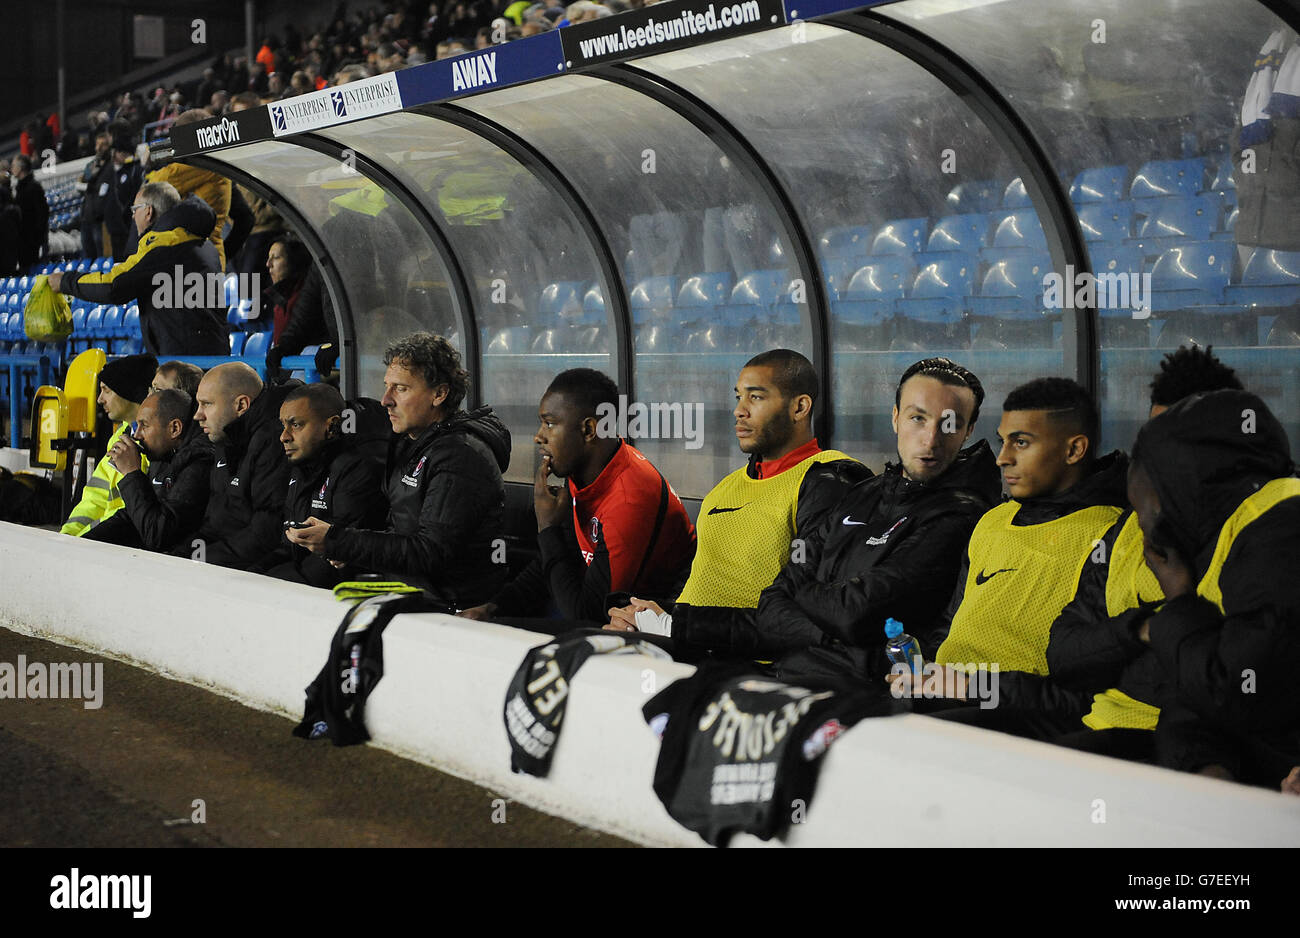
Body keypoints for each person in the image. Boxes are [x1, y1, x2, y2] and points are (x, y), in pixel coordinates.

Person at [893, 378, 1130, 736]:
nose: (1002, 457)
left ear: (1074, 450)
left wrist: (972, 687)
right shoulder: (992, 521)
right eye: (1004, 440)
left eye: (1021, 442)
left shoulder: (1112, 536)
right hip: (943, 695)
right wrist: (921, 670)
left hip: (1016, 716)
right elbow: (951, 625)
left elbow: (1079, 699)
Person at [741, 358, 1000, 679]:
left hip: (870, 695)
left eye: (949, 424)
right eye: (917, 418)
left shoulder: (965, 515)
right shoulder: (860, 494)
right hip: (800, 674)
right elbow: (770, 603)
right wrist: (829, 637)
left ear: (968, 431)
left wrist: (804, 594)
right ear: (895, 418)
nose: (931, 439)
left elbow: (854, 614)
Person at [1046, 346, 1245, 760]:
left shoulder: (1262, 535)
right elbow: (1063, 653)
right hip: (1099, 721)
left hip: (1201, 747)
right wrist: (1142, 628)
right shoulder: (1126, 528)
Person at [606, 349, 870, 640]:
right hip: (685, 641)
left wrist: (674, 626)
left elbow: (801, 616)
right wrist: (646, 616)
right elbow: (696, 585)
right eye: (738, 397)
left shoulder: (828, 483)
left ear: (800, 407)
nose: (739, 410)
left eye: (755, 397)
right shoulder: (725, 488)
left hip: (743, 662)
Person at [1127, 390, 1300, 789]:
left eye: (1143, 509)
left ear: (1179, 489)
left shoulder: (1277, 533)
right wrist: (1204, 767)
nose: (1141, 528)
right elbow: (1196, 695)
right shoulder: (1240, 529)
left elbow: (1236, 690)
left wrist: (1180, 601)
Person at [286, 333, 510, 607]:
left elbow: (430, 553)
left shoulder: (460, 457)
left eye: (401, 389)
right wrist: (350, 550)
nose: (385, 400)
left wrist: (338, 540)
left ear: (439, 394)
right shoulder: (411, 443)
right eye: (386, 386)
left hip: (450, 607)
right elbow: (402, 534)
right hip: (411, 590)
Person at [460, 368, 696, 624]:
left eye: (549, 423)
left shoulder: (629, 500)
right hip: (592, 605)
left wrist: (547, 527)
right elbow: (556, 559)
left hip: (648, 625)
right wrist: (495, 607)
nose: (539, 436)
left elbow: (588, 616)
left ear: (588, 430)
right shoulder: (586, 470)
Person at [49, 182, 228, 355]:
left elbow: (114, 287)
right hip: (209, 350)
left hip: (186, 360)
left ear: (148, 211)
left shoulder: (164, 243)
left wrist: (65, 281)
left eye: (135, 210)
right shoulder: (203, 244)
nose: (133, 216)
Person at [260, 384, 388, 587]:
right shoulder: (304, 459)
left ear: (332, 426)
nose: (283, 436)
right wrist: (253, 575)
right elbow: (289, 544)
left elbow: (337, 562)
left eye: (296, 424)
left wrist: (268, 585)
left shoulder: (361, 466)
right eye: (283, 425)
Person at [182, 363, 293, 568]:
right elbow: (218, 521)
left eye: (206, 404)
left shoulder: (273, 441)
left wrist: (199, 560)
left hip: (254, 570)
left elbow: (266, 532)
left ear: (241, 405)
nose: (197, 415)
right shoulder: (227, 433)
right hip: (225, 557)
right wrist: (183, 553)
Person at [81, 388, 213, 552]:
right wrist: (83, 544)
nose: (136, 435)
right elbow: (134, 516)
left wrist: (132, 473)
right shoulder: (164, 453)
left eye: (144, 426)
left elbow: (158, 536)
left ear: (174, 428)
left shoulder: (201, 461)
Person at [61, 354, 157, 537]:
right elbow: (94, 498)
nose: (99, 399)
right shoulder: (118, 438)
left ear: (127, 392)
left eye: (106, 390)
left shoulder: (155, 444)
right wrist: (67, 535)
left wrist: (81, 540)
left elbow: (126, 514)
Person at [146, 110, 234, 270]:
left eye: (179, 138)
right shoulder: (209, 157)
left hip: (203, 256)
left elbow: (157, 182)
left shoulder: (204, 161)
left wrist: (157, 157)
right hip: (201, 254)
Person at [10, 154, 48, 270]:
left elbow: (42, 214)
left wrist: (36, 237)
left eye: (13, 166)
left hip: (31, 241)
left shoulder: (33, 187)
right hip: (23, 239)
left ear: (20, 168)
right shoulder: (20, 188)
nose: (11, 169)